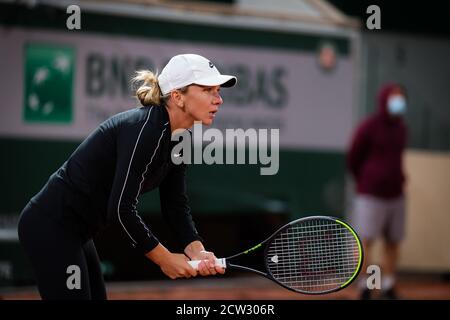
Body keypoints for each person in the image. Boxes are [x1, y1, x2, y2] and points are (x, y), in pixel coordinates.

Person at [17, 54, 237, 300]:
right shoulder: (146, 130)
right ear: (177, 96)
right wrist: (165, 259)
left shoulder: (181, 137)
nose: (218, 99)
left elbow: (175, 204)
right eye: (208, 90)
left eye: (217, 91)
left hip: (78, 233)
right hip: (50, 226)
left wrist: (197, 251)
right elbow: (121, 210)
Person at [346, 83, 408, 300]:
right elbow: (353, 157)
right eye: (394, 97)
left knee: (393, 242)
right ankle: (368, 286)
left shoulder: (402, 128)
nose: (399, 102)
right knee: (366, 242)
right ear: (384, 99)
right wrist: (367, 180)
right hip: (371, 195)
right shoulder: (368, 127)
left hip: (396, 195)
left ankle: (388, 285)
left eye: (401, 98)